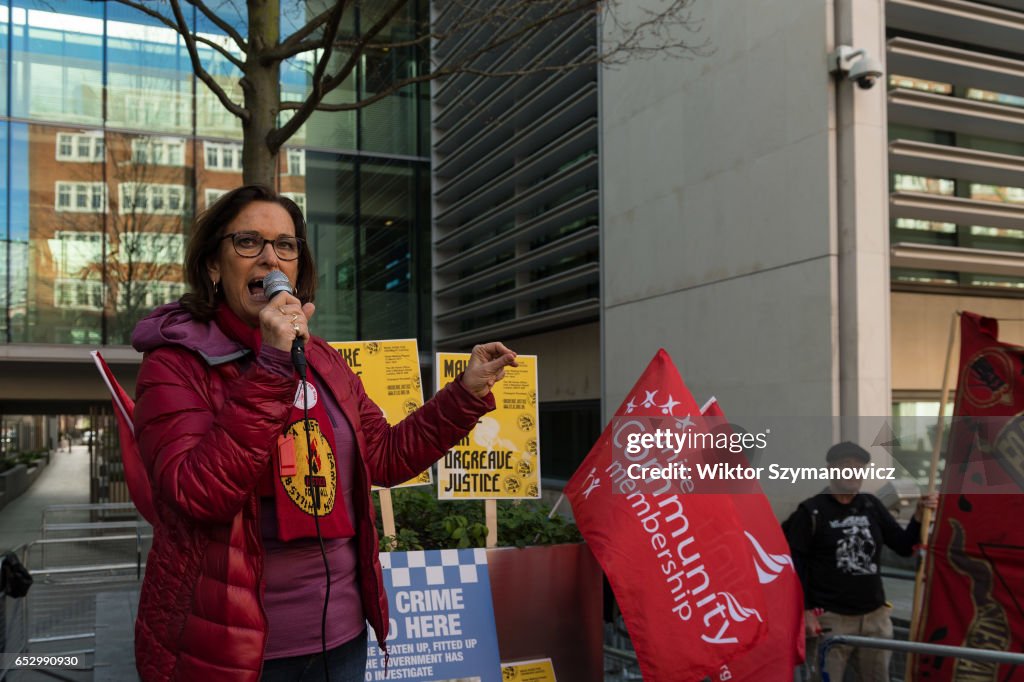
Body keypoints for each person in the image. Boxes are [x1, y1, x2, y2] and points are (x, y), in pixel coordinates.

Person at [130, 185, 517, 681]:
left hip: (341, 637)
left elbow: (386, 456)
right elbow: (196, 493)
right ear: (212, 265)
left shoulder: (322, 359)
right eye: (248, 242)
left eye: (285, 245)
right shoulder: (174, 365)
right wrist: (271, 367)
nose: (270, 258)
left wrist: (464, 395)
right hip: (235, 653)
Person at [783, 441, 937, 682]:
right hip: (831, 620)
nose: (854, 472)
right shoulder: (811, 512)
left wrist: (919, 516)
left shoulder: (870, 505)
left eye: (859, 467)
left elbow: (903, 546)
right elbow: (793, 565)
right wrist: (805, 612)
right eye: (846, 466)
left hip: (875, 619)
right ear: (831, 469)